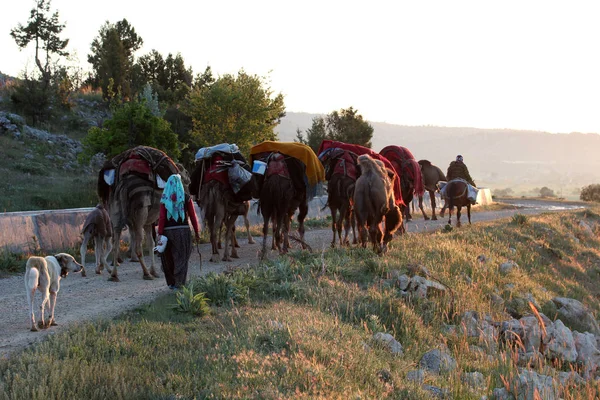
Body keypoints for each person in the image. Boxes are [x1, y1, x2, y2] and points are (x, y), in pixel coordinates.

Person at [157, 174, 200, 289]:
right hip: (183, 232)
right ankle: (179, 283)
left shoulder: (165, 198)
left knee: (168, 258)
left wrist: (160, 233)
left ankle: (171, 282)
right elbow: (192, 216)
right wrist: (196, 232)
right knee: (181, 258)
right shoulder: (186, 198)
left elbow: (161, 217)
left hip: (167, 232)